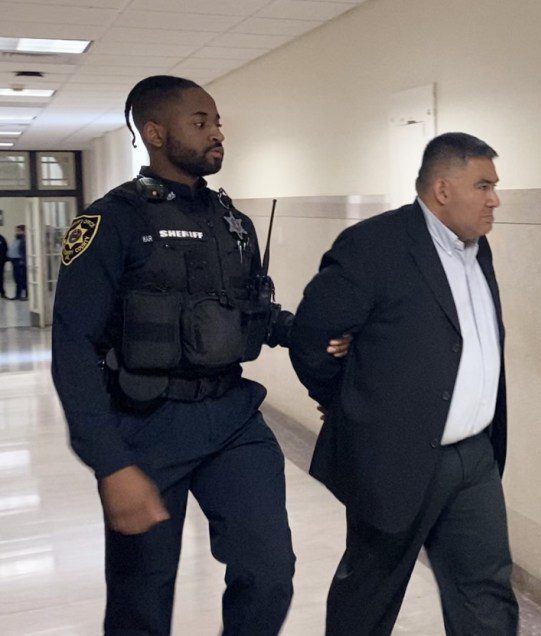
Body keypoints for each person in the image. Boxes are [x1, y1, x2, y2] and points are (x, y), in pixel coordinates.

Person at [51, 75, 349, 636]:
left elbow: (255, 312)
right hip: (144, 425)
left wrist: (316, 334)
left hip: (231, 420)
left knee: (269, 572)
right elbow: (71, 346)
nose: (217, 134)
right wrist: (110, 463)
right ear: (155, 132)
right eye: (201, 122)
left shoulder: (234, 224)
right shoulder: (110, 221)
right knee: (141, 596)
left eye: (217, 123)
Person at [290, 132, 519, 635]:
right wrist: (345, 401)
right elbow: (312, 338)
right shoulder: (374, 246)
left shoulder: (477, 250)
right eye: (483, 185)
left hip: (475, 458)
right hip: (395, 456)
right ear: (442, 189)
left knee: (486, 589)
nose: (494, 198)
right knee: (370, 593)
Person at [7, 224, 27, 300]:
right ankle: (17, 295)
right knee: (17, 279)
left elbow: (24, 251)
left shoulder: (24, 240)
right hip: (14, 261)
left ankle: (24, 295)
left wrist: (23, 260)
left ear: (23, 231)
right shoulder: (17, 239)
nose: (16, 232)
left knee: (22, 280)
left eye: (18, 231)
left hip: (20, 261)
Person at [0, 231, 7, 298]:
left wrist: (3, 259)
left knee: (0, 279)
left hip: (0, 262)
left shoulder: (1, 238)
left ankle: (2, 293)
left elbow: (5, 249)